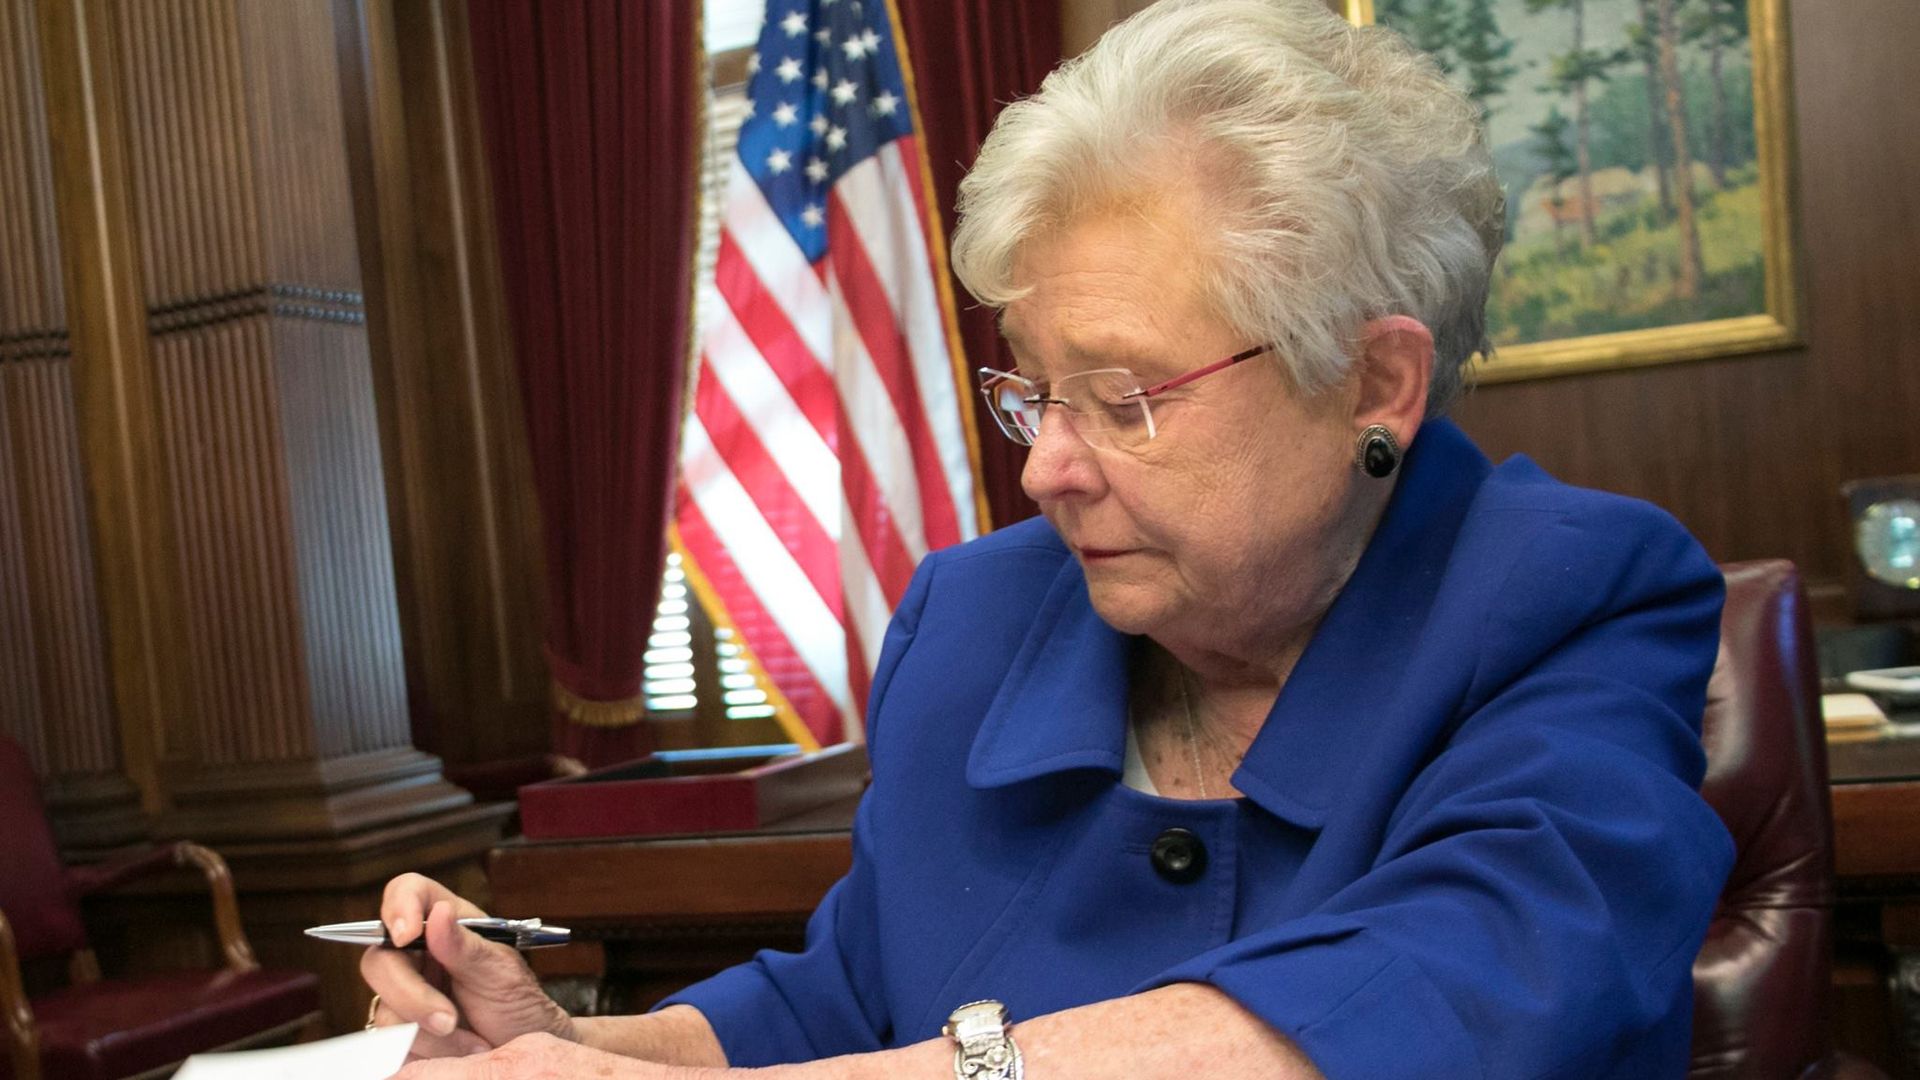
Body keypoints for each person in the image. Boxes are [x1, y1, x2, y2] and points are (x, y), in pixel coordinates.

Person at [364, 0, 1736, 1076]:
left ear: (1372, 383)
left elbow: (1448, 999)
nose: (1048, 472)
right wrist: (563, 1048)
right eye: (1033, 391)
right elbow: (853, 996)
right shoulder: (973, 621)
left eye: (1124, 396)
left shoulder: (1573, 599)